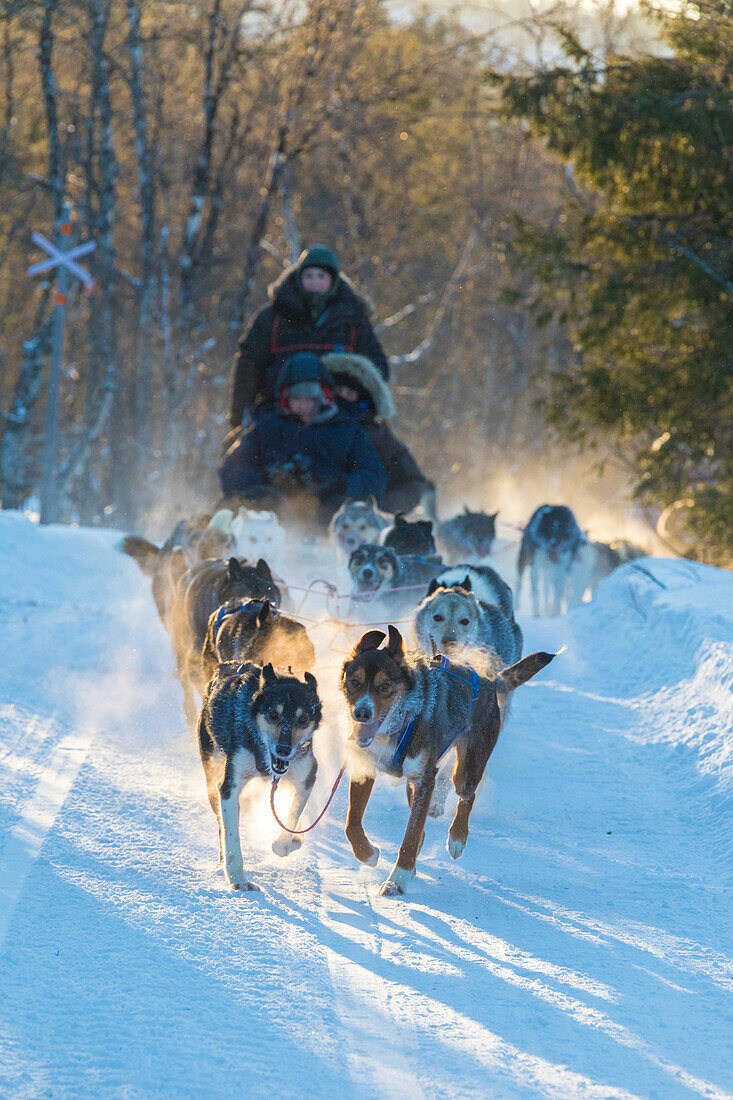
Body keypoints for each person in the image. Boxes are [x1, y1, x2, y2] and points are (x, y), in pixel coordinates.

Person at [220, 352, 387, 527]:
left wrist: (338, 484)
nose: (304, 406)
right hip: (270, 521)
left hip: (328, 520)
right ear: (285, 398)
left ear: (324, 398)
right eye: (297, 399)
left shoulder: (346, 429)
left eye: (311, 400)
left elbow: (374, 476)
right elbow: (232, 468)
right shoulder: (265, 427)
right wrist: (266, 478)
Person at [230, 245, 390, 426]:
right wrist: (239, 415)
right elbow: (249, 366)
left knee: (377, 447)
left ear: (333, 280)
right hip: (279, 413)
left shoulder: (354, 320)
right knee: (242, 450)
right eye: (309, 276)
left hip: (339, 416)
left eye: (321, 276)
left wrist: (355, 397)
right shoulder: (272, 318)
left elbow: (377, 369)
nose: (314, 282)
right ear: (299, 278)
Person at [323, 351, 432, 516]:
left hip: (364, 525)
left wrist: (383, 509)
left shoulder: (377, 435)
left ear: (362, 398)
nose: (343, 397)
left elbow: (412, 482)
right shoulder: (311, 424)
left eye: (350, 393)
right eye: (338, 390)